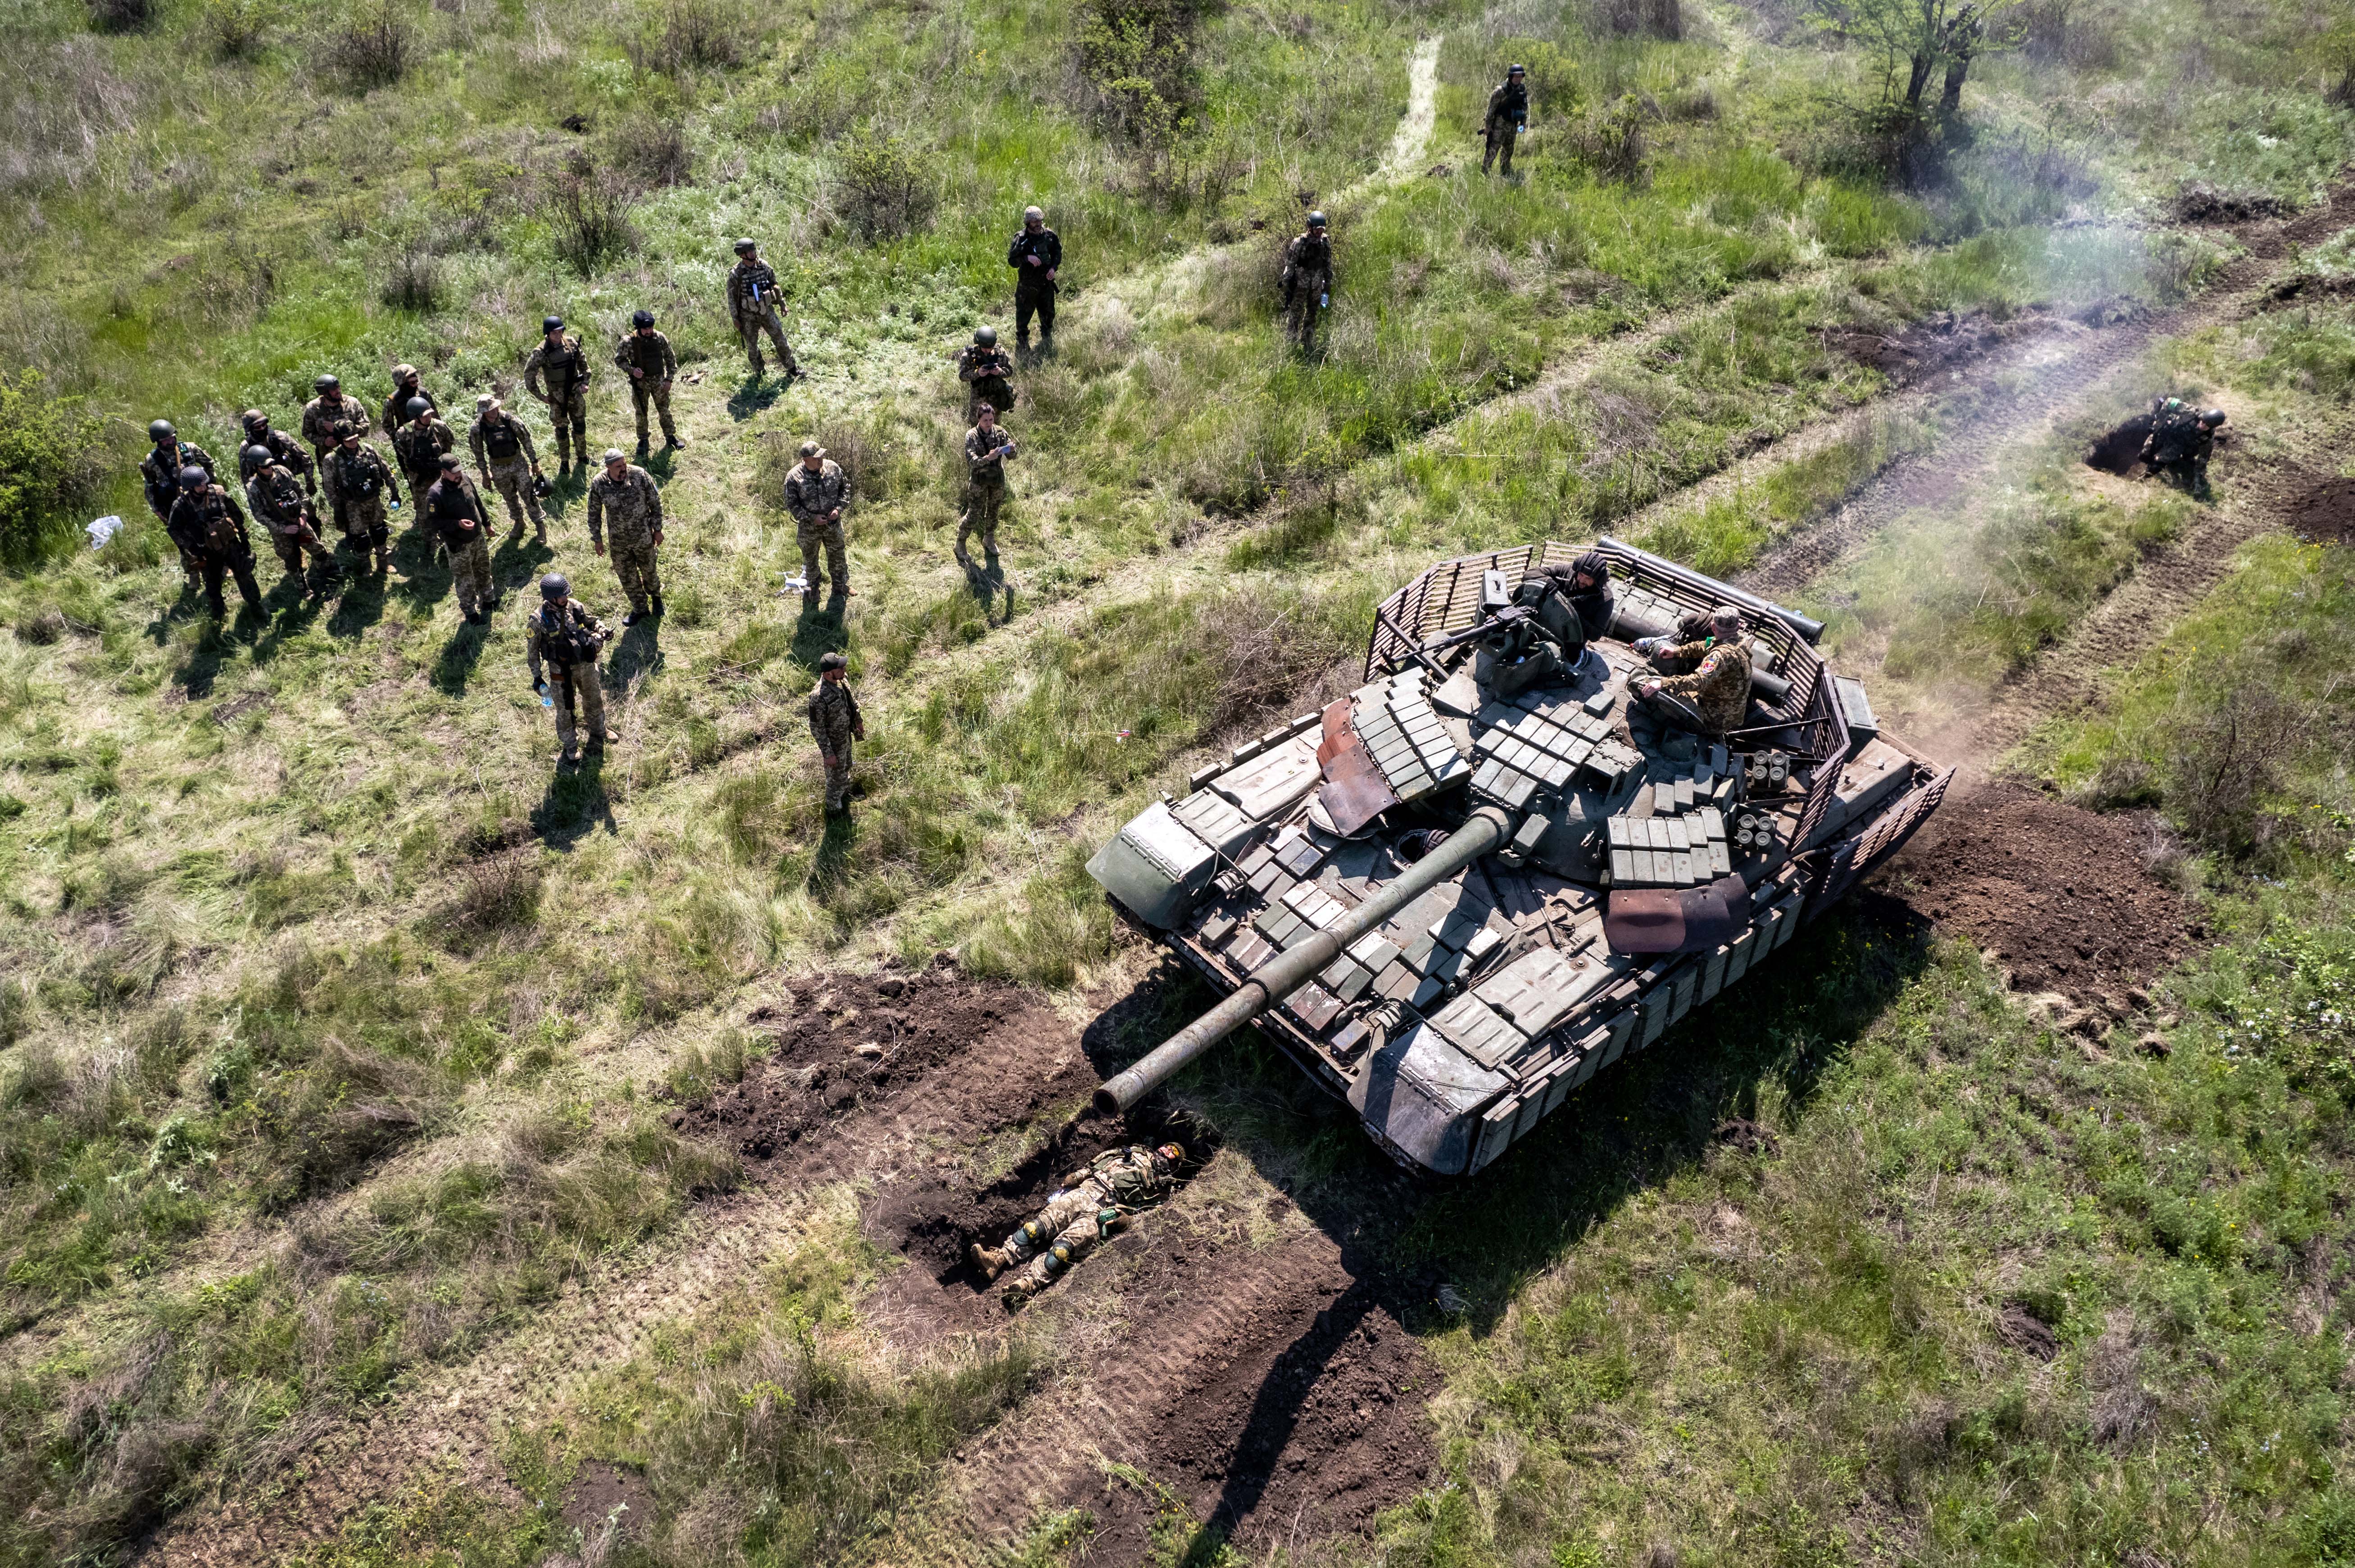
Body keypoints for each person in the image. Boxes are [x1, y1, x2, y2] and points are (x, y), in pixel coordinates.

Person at [968, 1143, 1186, 1310]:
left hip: (1103, 1212)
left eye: (1173, 1153)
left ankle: (1027, 1285)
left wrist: (1127, 1220)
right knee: (1035, 1228)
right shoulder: (1133, 1151)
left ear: (1176, 1165)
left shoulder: (1163, 1189)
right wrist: (1080, 1175)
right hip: (1085, 1191)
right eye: (1167, 1147)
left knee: (1062, 1252)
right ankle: (997, 1260)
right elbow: (1099, 1162)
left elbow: (1148, 1216)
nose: (1167, 1151)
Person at [525, 573, 613, 766]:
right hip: (560, 671)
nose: (565, 598)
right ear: (550, 598)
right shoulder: (537, 620)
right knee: (565, 709)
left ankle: (599, 730)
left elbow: (591, 621)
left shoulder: (574, 606)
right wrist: (537, 677)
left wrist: (603, 630)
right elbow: (532, 652)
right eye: (561, 596)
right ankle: (571, 745)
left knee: (594, 699)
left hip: (585, 665)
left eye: (566, 594)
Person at [1633, 605, 1752, 742]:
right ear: (1738, 627)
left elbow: (1698, 682)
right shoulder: (1740, 641)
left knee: (1660, 693)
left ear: (1713, 627)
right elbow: (1707, 645)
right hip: (1729, 713)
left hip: (1712, 718)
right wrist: (1678, 652)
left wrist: (1662, 683)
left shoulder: (1719, 656)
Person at [166, 465, 263, 620]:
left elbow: (237, 515)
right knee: (213, 584)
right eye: (199, 486)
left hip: (230, 544)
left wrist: (244, 539)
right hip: (207, 551)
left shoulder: (218, 493)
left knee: (245, 574)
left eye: (204, 483)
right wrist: (192, 548)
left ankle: (256, 607)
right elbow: (173, 530)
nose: (203, 487)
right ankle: (219, 614)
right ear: (190, 488)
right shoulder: (181, 505)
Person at [243, 444, 339, 594]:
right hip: (281, 532)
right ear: (256, 467)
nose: (269, 468)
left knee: (316, 548)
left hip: (299, 523)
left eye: (270, 464)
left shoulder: (282, 472)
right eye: (264, 467)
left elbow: (301, 493)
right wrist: (283, 529)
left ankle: (328, 575)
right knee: (292, 561)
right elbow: (259, 515)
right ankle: (303, 588)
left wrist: (303, 515)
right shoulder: (253, 488)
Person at [586, 447, 664, 625]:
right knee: (627, 576)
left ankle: (656, 598)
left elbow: (655, 502)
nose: (624, 469)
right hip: (618, 541)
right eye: (618, 467)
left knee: (649, 570)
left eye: (624, 464)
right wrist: (597, 539)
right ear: (608, 467)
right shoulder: (599, 483)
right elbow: (593, 512)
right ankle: (640, 608)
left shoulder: (639, 475)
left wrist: (658, 529)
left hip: (643, 536)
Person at [141, 420, 217, 594]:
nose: (170, 442)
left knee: (210, 534)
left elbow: (209, 463)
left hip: (199, 500)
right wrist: (156, 509)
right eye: (165, 440)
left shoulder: (189, 448)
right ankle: (193, 573)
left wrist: (210, 485)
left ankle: (219, 566)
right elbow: (150, 485)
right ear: (158, 442)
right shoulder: (152, 460)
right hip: (175, 506)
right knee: (184, 543)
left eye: (172, 438)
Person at [424, 453, 498, 624]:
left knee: (484, 570)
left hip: (477, 538)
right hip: (458, 545)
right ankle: (470, 611)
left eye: (459, 471)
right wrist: (457, 524)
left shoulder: (465, 479)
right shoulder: (435, 494)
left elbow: (477, 502)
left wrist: (487, 524)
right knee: (465, 580)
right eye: (454, 473)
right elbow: (433, 523)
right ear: (443, 472)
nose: (458, 475)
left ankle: (488, 600)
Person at [323, 422, 402, 574]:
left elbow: (385, 471)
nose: (353, 442)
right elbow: (329, 488)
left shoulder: (368, 450)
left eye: (355, 438)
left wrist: (395, 493)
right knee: (360, 539)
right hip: (352, 506)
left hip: (374, 500)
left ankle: (383, 563)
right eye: (349, 440)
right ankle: (366, 566)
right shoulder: (332, 460)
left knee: (380, 532)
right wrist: (338, 509)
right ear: (340, 440)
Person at [468, 394, 548, 542]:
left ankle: (540, 526)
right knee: (509, 497)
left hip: (518, 465)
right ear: (483, 412)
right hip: (498, 468)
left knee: (529, 495)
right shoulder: (477, 428)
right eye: (490, 410)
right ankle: (519, 523)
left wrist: (534, 463)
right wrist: (485, 474)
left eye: (495, 408)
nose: (494, 411)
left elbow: (526, 441)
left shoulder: (510, 420)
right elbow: (478, 452)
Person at [783, 440, 851, 610]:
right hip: (809, 529)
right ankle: (813, 590)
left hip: (833, 526)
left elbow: (845, 488)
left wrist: (838, 509)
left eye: (821, 456)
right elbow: (792, 505)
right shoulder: (794, 477)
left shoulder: (833, 468)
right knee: (811, 560)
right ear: (806, 460)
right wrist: (812, 518)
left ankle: (840, 586)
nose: (821, 460)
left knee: (838, 556)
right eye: (816, 458)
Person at [301, 374, 372, 535]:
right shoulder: (313, 409)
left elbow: (365, 427)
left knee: (364, 491)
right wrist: (324, 441)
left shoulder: (352, 403)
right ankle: (349, 532)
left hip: (356, 458)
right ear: (324, 393)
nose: (338, 391)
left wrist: (343, 429)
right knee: (338, 497)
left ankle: (371, 525)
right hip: (331, 462)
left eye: (338, 387)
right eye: (334, 390)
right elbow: (307, 433)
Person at [524, 316, 593, 472]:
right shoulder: (541, 352)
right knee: (561, 431)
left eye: (560, 332)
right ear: (548, 334)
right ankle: (565, 462)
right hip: (557, 399)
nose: (558, 335)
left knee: (580, 426)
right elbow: (529, 375)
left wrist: (585, 383)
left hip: (575, 393)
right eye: (554, 333)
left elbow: (584, 364)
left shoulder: (571, 343)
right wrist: (541, 396)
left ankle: (582, 456)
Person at [726, 239, 801, 381]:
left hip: (767, 310)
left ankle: (792, 369)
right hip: (747, 315)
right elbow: (732, 298)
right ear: (742, 255)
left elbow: (775, 285)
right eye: (749, 251)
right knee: (752, 346)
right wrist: (735, 318)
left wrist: (782, 304)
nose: (753, 253)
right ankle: (760, 372)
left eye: (753, 250)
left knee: (780, 338)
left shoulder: (764, 266)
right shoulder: (736, 274)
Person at [615, 309, 684, 453]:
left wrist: (669, 379)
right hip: (641, 384)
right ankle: (643, 441)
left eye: (650, 328)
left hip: (659, 381)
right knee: (641, 412)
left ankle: (670, 437)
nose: (649, 331)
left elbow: (671, 359)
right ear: (638, 328)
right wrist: (632, 370)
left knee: (664, 410)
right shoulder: (628, 342)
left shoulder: (660, 338)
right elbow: (619, 360)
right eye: (645, 329)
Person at [958, 403, 1017, 567]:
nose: (989, 423)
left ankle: (989, 539)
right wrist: (987, 458)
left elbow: (1012, 457)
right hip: (979, 482)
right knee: (974, 514)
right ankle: (960, 544)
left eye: (991, 420)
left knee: (993, 510)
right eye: (985, 420)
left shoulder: (1000, 432)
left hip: (997, 479)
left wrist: (1012, 449)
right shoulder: (972, 436)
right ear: (979, 419)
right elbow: (971, 461)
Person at [807, 650, 864, 815]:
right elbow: (817, 728)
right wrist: (828, 754)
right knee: (834, 779)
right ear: (828, 674)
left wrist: (858, 722)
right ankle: (834, 813)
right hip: (834, 744)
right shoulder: (818, 697)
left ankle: (844, 796)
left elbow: (852, 702)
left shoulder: (842, 680)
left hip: (846, 736)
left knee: (846, 767)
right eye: (840, 668)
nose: (844, 670)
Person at [1007, 205, 1061, 356]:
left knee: (1048, 314)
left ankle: (1047, 339)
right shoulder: (1021, 239)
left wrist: (1053, 268)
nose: (1038, 224)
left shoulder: (1049, 236)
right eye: (1034, 222)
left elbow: (1057, 253)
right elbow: (1012, 261)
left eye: (1040, 221)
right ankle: (1023, 343)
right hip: (1027, 286)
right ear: (1027, 223)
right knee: (1023, 317)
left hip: (1046, 284)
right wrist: (1026, 258)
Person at [1281, 212, 1333, 351]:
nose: (1319, 232)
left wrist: (1328, 284)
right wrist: (1286, 285)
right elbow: (1290, 265)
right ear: (1310, 227)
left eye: (1322, 229)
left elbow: (1328, 264)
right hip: (1300, 285)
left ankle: (1307, 341)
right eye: (1317, 229)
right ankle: (1291, 343)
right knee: (1295, 313)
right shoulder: (1299, 242)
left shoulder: (1325, 242)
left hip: (1317, 285)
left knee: (1312, 313)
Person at [391, 395, 458, 500]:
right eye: (425, 416)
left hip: (441, 474)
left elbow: (450, 441)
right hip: (420, 479)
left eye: (430, 415)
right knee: (425, 506)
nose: (429, 418)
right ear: (415, 417)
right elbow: (401, 451)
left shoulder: (439, 426)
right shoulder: (404, 432)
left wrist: (444, 457)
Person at [238, 409, 315, 495]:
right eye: (258, 427)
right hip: (264, 485)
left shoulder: (279, 437)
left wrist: (310, 482)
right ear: (250, 429)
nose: (262, 428)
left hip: (287, 477)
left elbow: (304, 456)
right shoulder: (246, 448)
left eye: (264, 425)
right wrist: (254, 496)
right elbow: (246, 477)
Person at [954, 326, 1016, 423]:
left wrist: (1000, 371)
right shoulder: (969, 355)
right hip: (978, 398)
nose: (988, 351)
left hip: (996, 397)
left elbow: (1010, 371)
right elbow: (962, 376)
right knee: (976, 424)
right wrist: (977, 373)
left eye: (990, 348)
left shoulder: (1000, 352)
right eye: (985, 349)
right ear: (978, 344)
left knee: (995, 424)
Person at [1483, 64, 1529, 177]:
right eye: (1516, 76)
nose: (1518, 79)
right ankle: (1485, 173)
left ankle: (1505, 172)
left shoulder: (1522, 89)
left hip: (1513, 126)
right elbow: (1491, 111)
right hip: (1499, 125)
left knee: (1509, 150)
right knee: (1493, 149)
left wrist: (1522, 126)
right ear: (1511, 76)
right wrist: (1488, 127)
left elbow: (1524, 109)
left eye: (1520, 76)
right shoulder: (1500, 90)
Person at [381, 363, 437, 445]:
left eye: (417, 381)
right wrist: (400, 436)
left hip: (430, 436)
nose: (416, 385)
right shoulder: (392, 401)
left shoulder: (424, 393)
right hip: (408, 442)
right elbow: (387, 425)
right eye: (412, 383)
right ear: (403, 384)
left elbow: (435, 416)